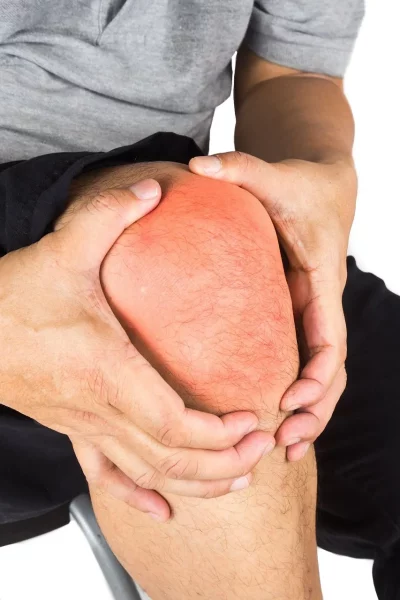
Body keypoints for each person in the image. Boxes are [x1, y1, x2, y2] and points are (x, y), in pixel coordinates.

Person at [1, 1, 400, 597]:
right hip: (157, 253)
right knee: (182, 252)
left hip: (195, 243)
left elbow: (294, 73)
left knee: (197, 255)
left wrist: (320, 174)